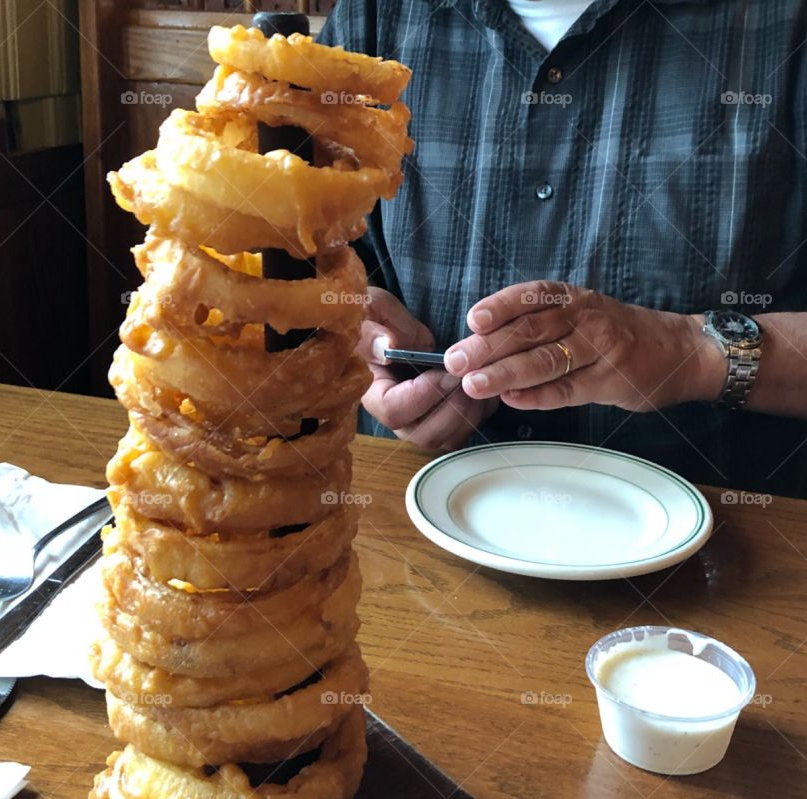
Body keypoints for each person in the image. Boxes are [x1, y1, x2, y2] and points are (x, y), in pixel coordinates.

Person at [317, 0, 807, 497]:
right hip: (398, 522)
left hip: (731, 542)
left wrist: (690, 352)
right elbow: (301, 266)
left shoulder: (785, 24)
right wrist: (352, 333)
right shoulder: (370, 16)